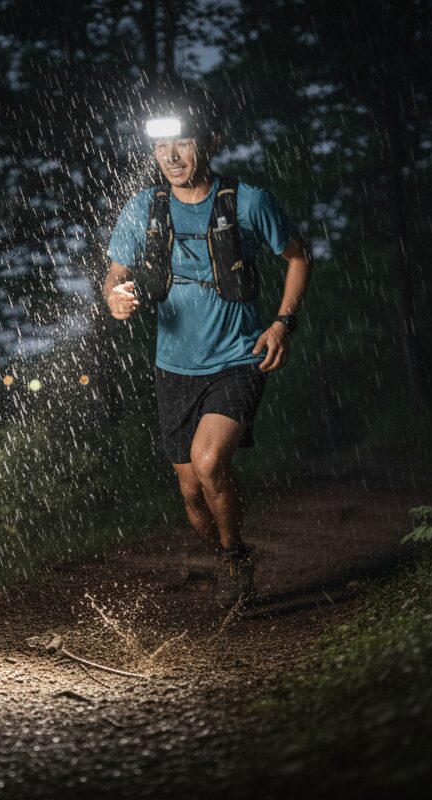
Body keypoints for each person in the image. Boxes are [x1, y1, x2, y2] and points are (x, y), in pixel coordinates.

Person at [103, 84, 312, 609]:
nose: (171, 157)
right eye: (160, 148)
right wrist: (116, 297)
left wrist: (282, 323)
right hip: (173, 368)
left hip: (238, 358)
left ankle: (235, 560)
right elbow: (115, 276)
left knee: (210, 461)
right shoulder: (142, 209)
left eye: (183, 143)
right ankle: (228, 549)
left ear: (211, 141)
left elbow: (299, 255)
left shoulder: (247, 201)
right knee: (193, 497)